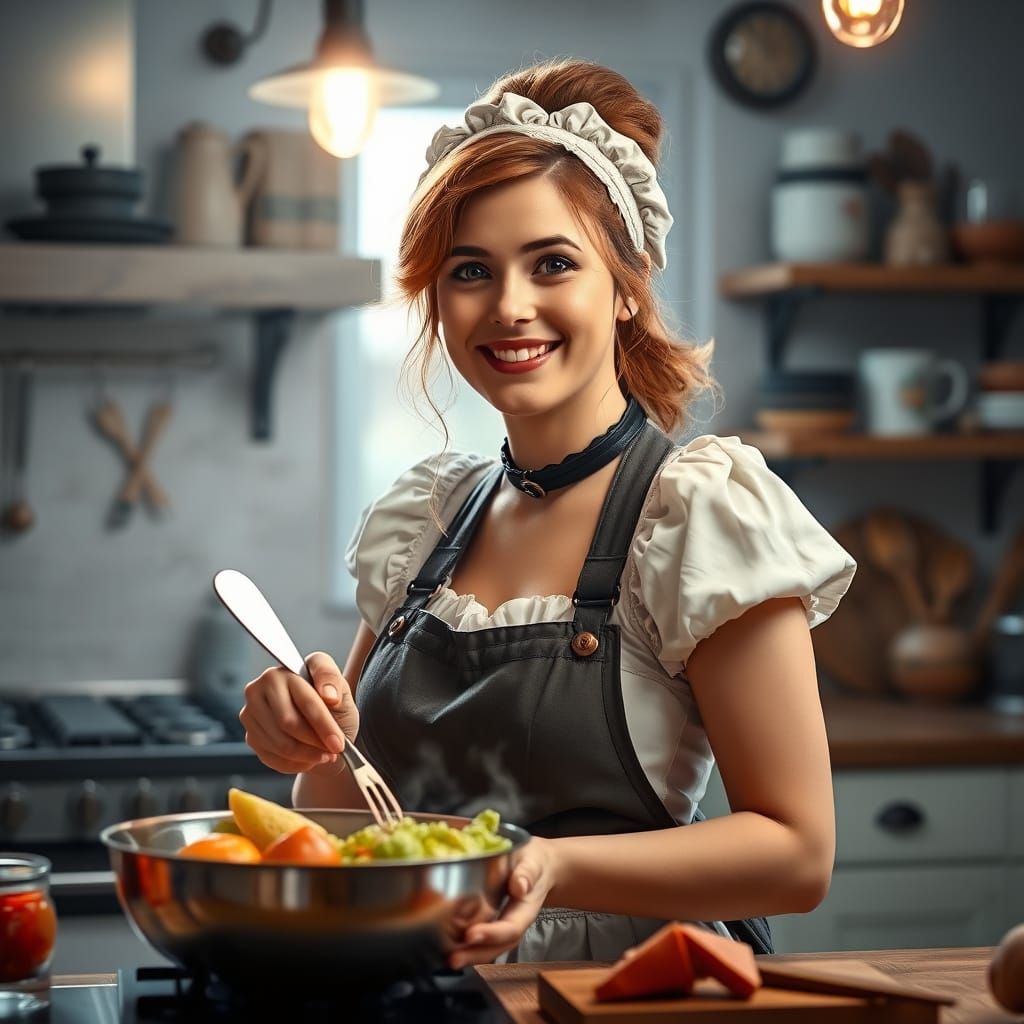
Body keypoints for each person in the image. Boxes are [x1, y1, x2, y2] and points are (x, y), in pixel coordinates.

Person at [239, 58, 856, 969]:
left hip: (613, 987)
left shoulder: (697, 514)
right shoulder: (430, 521)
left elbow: (797, 854)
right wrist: (304, 731)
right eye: (471, 270)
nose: (510, 307)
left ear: (628, 285)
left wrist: (551, 866)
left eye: (553, 263)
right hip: (417, 983)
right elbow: (341, 828)